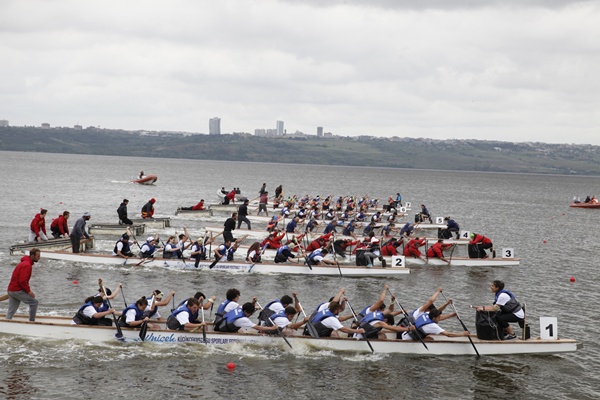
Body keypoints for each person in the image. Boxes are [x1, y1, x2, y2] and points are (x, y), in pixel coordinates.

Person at [5, 248, 41, 321]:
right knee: (34, 302)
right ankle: (32, 322)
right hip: (17, 290)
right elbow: (22, 281)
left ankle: (6, 322)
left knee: (11, 310)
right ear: (32, 256)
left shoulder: (23, 263)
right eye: (38, 256)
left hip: (11, 290)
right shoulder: (27, 265)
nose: (39, 258)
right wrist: (29, 291)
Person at [401, 308, 471, 341]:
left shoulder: (427, 314)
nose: (440, 318)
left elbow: (439, 318)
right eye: (438, 317)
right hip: (408, 339)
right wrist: (463, 334)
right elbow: (448, 334)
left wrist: (450, 315)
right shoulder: (432, 326)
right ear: (434, 318)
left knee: (430, 336)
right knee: (431, 339)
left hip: (405, 333)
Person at [214, 302, 280, 333]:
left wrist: (254, 303)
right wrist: (272, 328)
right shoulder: (244, 320)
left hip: (219, 325)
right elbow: (258, 327)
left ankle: (236, 331)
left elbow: (248, 306)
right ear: (245, 311)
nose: (250, 315)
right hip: (223, 330)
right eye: (250, 314)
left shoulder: (240, 308)